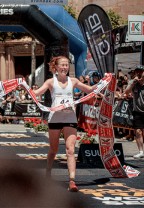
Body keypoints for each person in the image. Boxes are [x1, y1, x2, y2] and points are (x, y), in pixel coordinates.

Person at [33, 55, 97, 192]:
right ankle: (48, 174)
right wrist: (27, 89)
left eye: (67, 65)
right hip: (55, 118)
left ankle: (72, 181)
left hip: (70, 118)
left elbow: (90, 90)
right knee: (53, 150)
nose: (64, 67)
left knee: (70, 150)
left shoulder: (73, 81)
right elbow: (37, 93)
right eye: (62, 65)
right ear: (56, 67)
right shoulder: (51, 82)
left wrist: (105, 82)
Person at [124, 66, 144, 160]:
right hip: (137, 110)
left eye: (140, 71)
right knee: (138, 131)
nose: (139, 73)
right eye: (137, 72)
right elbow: (126, 92)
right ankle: (141, 151)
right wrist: (133, 82)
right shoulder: (133, 82)